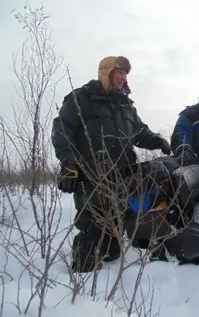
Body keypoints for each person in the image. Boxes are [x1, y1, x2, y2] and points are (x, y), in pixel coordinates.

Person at [51, 56, 171, 272]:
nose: (123, 78)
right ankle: (80, 284)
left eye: (125, 74)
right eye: (119, 72)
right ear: (106, 72)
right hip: (92, 176)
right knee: (92, 227)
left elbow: (139, 131)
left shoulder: (125, 105)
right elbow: (62, 129)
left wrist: (157, 140)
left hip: (122, 176)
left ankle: (109, 276)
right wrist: (68, 163)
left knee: (114, 235)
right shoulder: (82, 98)